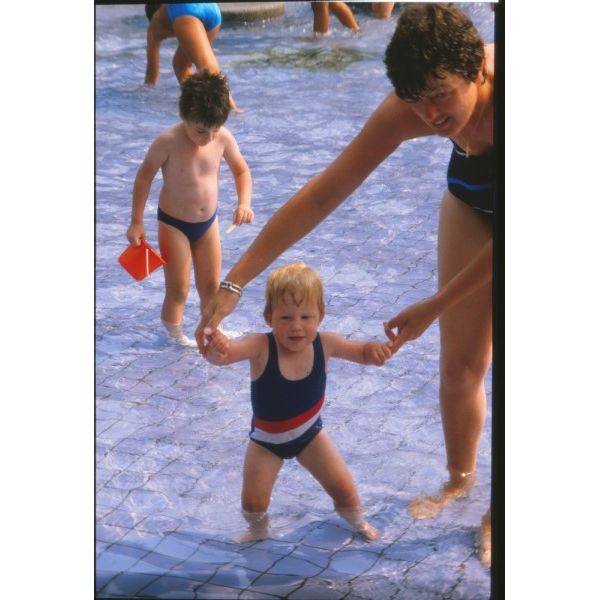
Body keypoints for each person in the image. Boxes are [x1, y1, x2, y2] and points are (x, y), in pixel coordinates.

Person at [195, 4, 495, 566]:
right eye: (418, 100)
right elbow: (322, 194)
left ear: (478, 68)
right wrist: (234, 282)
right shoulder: (412, 105)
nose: (430, 114)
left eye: (441, 96)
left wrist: (434, 304)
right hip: (472, 195)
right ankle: (461, 481)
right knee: (461, 364)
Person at [204, 263, 391, 542]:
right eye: (285, 317)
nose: (296, 326)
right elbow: (226, 356)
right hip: (266, 443)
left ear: (320, 316)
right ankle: (257, 532)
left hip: (310, 436)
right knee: (253, 504)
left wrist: (375, 351)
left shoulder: (326, 343)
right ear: (269, 317)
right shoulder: (260, 346)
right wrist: (217, 348)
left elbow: (360, 351)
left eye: (306, 317)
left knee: (344, 490)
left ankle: (357, 521)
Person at [126, 70, 253, 346]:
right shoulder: (167, 142)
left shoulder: (223, 138)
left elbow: (241, 171)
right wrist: (136, 221)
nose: (208, 138)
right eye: (201, 131)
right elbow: (144, 177)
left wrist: (244, 202)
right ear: (183, 115)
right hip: (174, 224)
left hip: (208, 224)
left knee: (211, 286)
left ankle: (211, 330)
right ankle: (174, 338)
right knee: (178, 288)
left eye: (214, 130)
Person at [143, 3, 240, 111]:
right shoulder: (167, 15)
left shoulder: (154, 27)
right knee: (180, 64)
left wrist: (145, 96)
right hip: (212, 9)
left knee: (207, 68)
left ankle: (234, 110)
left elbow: (151, 73)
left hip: (186, 9)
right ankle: (195, 101)